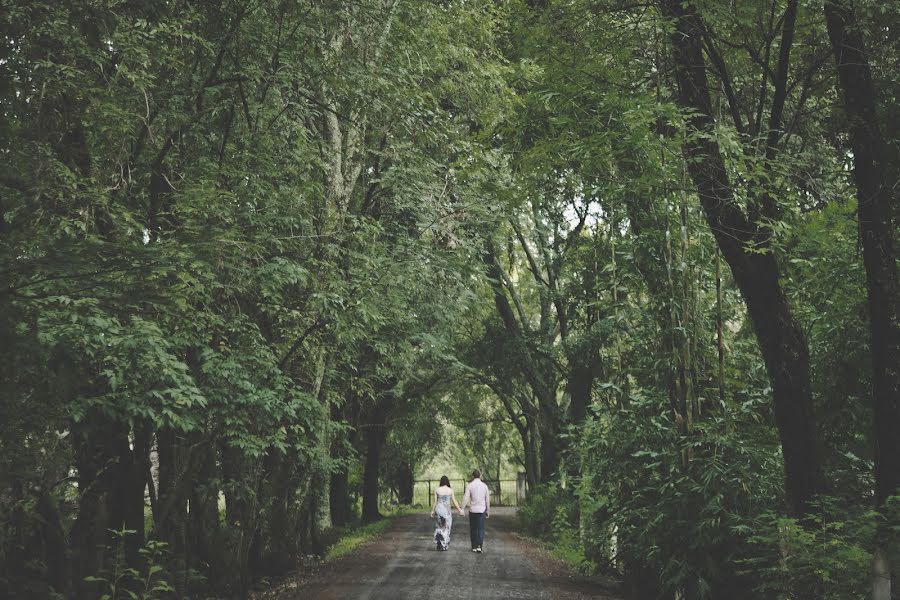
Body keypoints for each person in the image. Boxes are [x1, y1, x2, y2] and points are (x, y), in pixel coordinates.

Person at [430, 475, 464, 551]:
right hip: (446, 511)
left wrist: (432, 511)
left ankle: (439, 543)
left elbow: (435, 502)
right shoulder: (450, 490)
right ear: (447, 482)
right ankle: (444, 544)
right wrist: (460, 510)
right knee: (447, 527)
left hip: (438, 510)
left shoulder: (437, 490)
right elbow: (454, 501)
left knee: (439, 526)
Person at [462, 469, 490, 553]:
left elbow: (466, 498)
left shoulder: (470, 485)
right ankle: (479, 546)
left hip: (473, 510)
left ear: (473, 476)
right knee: (480, 528)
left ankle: (474, 546)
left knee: (473, 528)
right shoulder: (484, 486)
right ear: (480, 476)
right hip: (481, 510)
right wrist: (488, 510)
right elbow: (487, 499)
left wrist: (462, 508)